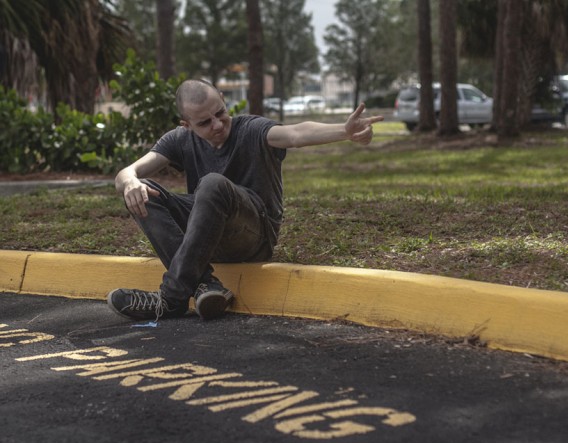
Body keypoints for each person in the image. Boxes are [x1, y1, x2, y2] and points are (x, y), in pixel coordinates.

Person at [107, 79, 383, 321]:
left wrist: (344, 131)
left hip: (254, 238)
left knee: (212, 183)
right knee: (142, 191)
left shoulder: (251, 129)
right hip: (205, 240)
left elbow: (295, 134)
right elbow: (126, 174)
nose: (217, 125)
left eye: (220, 113)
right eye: (204, 123)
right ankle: (206, 285)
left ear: (223, 100)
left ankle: (171, 298)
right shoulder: (180, 139)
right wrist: (130, 182)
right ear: (187, 125)